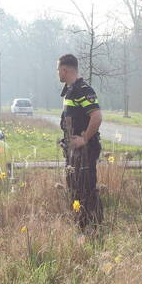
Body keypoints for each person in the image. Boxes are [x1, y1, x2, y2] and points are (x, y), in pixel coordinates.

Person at [58, 53, 103, 230]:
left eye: (58, 70)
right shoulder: (70, 90)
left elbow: (97, 117)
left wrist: (84, 139)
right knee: (75, 189)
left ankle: (93, 228)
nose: (57, 73)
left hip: (85, 152)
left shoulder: (83, 90)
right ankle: (80, 226)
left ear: (64, 70)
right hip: (73, 152)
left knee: (86, 189)